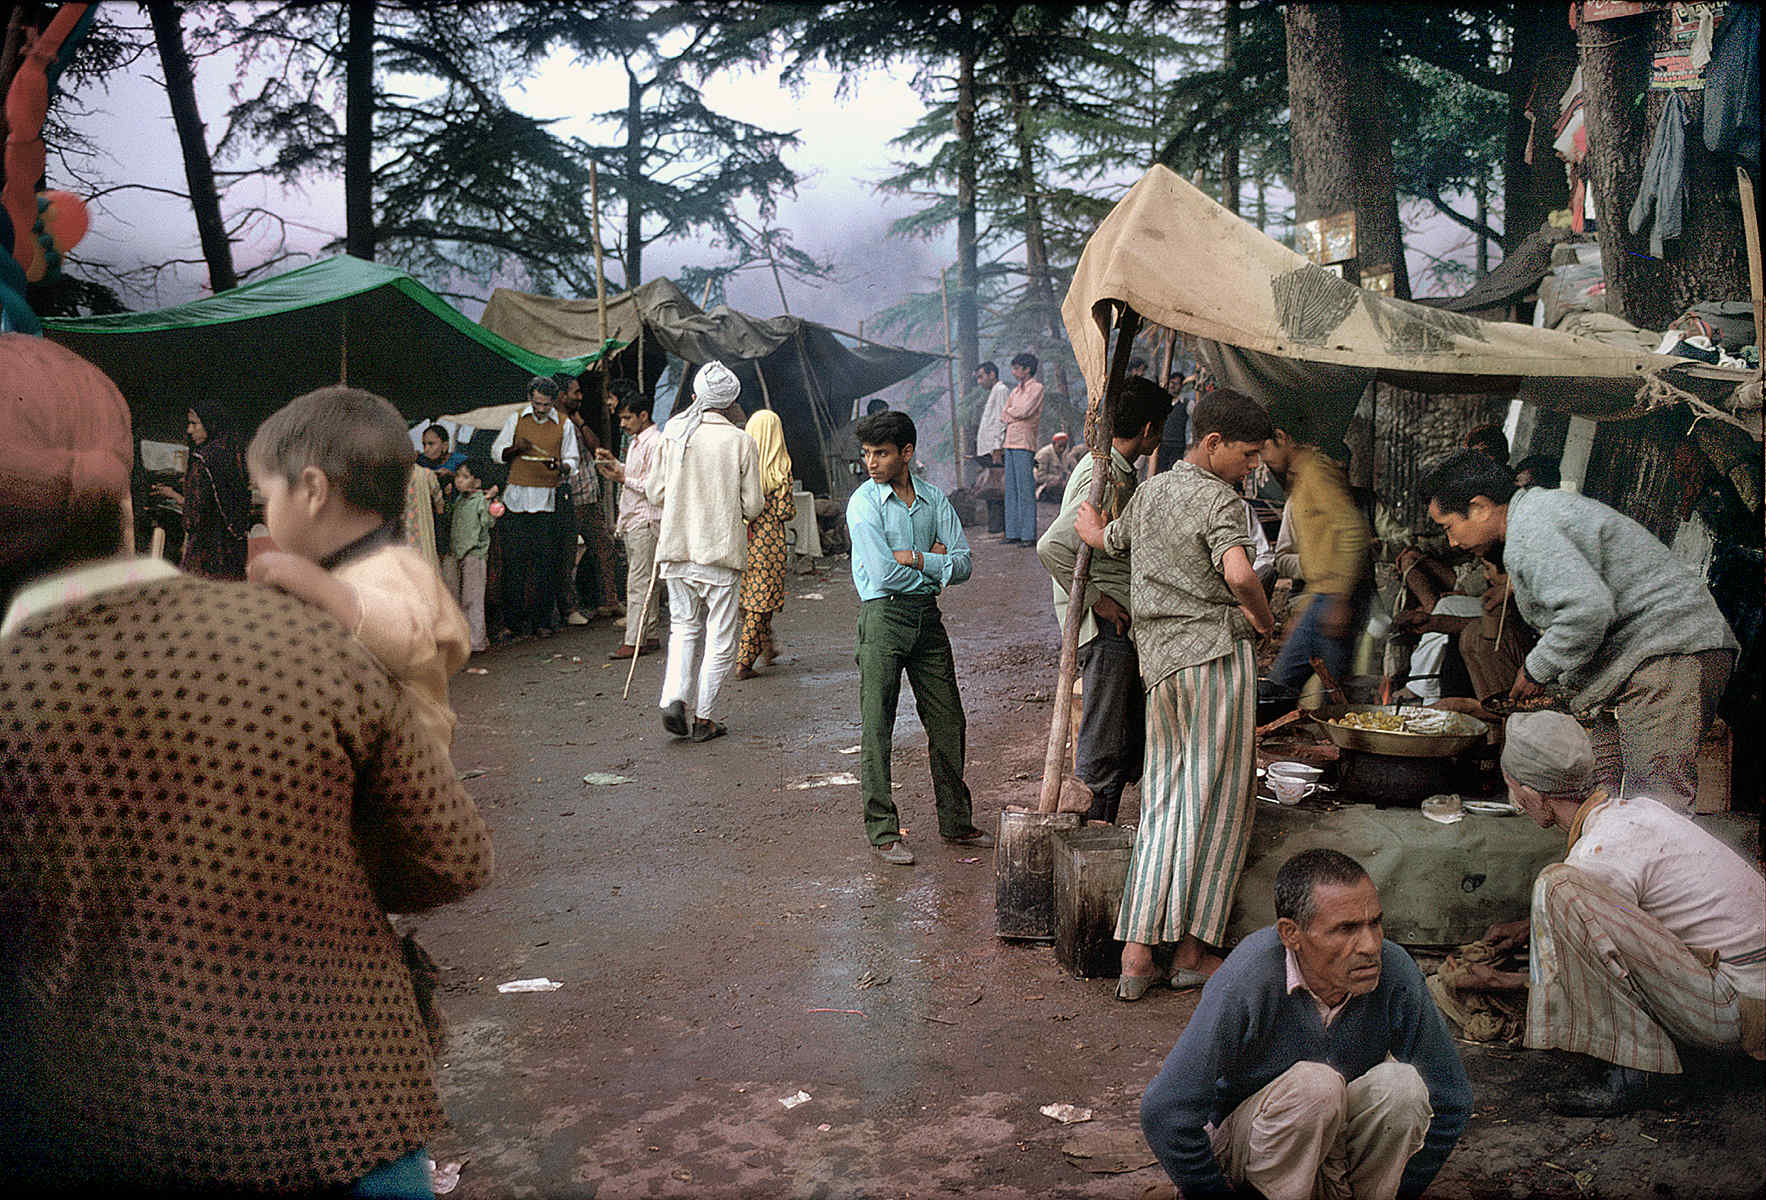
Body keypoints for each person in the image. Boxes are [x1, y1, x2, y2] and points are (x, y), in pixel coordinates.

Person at [0, 334, 492, 1194]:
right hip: (348, 1119)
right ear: (122, 489)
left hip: (106, 1140)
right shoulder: (293, 639)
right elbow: (450, 856)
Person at [1074, 389, 1276, 999]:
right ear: (1212, 443)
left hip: (1158, 667)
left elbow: (1106, 540)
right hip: (1216, 661)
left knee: (1163, 803)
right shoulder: (1222, 501)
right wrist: (1264, 624)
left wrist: (1087, 523)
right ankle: (1191, 951)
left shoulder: (1153, 489)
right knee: (1219, 806)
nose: (1253, 468)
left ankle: (1139, 955)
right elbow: (1240, 574)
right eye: (1247, 454)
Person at [1470, 712, 1764, 1115]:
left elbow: (1594, 962)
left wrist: (1497, 980)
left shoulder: (1595, 857)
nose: (1515, 801)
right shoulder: (1635, 813)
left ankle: (1637, 1072)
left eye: (1514, 789)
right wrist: (1526, 930)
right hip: (1752, 995)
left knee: (1557, 885)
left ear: (1535, 795)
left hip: (1736, 1014)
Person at [1140, 850, 1472, 1200]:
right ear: (1291, 934)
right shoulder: (1249, 977)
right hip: (1250, 1151)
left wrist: (1405, 1188)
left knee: (1403, 1087)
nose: (1371, 945)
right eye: (1346, 929)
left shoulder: (1395, 971)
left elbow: (1451, 1100)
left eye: (1375, 922)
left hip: (1335, 1150)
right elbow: (1166, 1110)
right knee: (1316, 1086)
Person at [1420, 449, 1737, 809]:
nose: (1451, 541)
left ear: (1479, 507)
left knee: (1655, 805)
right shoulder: (1536, 518)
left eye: (1448, 527)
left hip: (1670, 651)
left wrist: (1536, 668)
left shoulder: (1533, 528)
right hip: (1641, 659)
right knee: (1606, 797)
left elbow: (1586, 611)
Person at [245, 386, 471, 762]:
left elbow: (407, 637)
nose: (267, 511)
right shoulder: (353, 569)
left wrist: (319, 589)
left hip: (398, 794)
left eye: (268, 496)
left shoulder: (384, 569)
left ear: (313, 490)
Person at [846, 409, 992, 865]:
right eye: (867, 454)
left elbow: (965, 563)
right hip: (882, 619)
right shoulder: (863, 504)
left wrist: (918, 560)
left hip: (927, 621)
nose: (872, 463)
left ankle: (955, 821)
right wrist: (933, 567)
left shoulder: (933, 499)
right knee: (877, 725)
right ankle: (884, 830)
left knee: (948, 722)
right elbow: (884, 574)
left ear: (906, 453)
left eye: (882, 453)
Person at [1036, 377, 1172, 824]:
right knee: (1102, 745)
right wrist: (1098, 600)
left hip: (1116, 625)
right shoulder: (1105, 475)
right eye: (1162, 428)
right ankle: (1088, 839)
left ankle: (1102, 828)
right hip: (1105, 629)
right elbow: (1053, 545)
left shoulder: (1115, 468)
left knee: (1122, 741)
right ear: (1149, 429)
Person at [648, 361, 765, 742]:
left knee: (683, 628)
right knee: (720, 636)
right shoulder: (741, 441)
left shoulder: (674, 433)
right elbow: (753, 506)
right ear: (732, 401)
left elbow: (655, 493)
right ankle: (704, 719)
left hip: (677, 550)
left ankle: (673, 698)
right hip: (720, 554)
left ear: (696, 396)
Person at [1261, 406, 1373, 694]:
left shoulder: (1316, 472)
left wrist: (1339, 596)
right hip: (1321, 596)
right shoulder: (1301, 476)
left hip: (1335, 597)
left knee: (1330, 695)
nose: (1263, 458)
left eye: (1264, 449)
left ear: (1282, 438)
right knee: (1285, 687)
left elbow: (1352, 529)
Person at [491, 376, 581, 641]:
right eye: (536, 403)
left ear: (553, 402)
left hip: (546, 501)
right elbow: (497, 453)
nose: (540, 409)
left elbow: (572, 461)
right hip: (516, 500)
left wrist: (560, 466)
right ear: (531, 398)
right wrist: (514, 449)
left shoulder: (563, 424)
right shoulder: (517, 418)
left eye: (545, 404)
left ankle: (543, 621)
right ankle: (513, 623)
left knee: (545, 564)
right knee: (513, 564)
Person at [595, 388, 665, 659]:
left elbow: (655, 486)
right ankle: (649, 635)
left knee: (639, 581)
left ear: (643, 415)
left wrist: (622, 479)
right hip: (636, 518)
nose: (622, 424)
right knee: (647, 580)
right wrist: (616, 466)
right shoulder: (639, 442)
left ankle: (634, 640)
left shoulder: (654, 443)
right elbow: (637, 474)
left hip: (646, 520)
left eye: (627, 418)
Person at [151, 396, 251, 580]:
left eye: (194, 424)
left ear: (210, 424)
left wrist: (172, 494)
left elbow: (193, 518)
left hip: (207, 555)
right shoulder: (232, 455)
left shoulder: (202, 460)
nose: (189, 430)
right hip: (233, 554)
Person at [734, 409, 797, 680]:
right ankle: (744, 662)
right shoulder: (780, 471)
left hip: (742, 543)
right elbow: (786, 512)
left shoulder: (740, 468)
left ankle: (767, 647)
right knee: (762, 603)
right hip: (769, 545)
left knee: (751, 600)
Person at [448, 460, 495, 653]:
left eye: (465, 477)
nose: (459, 480)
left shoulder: (480, 501)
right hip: (460, 553)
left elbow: (488, 522)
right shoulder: (459, 499)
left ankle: (477, 641)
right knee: (461, 597)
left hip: (474, 554)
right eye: (458, 476)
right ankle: (468, 639)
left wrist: (490, 502)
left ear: (477, 482)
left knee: (473, 598)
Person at [1001, 351, 1043, 544]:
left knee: (1025, 489)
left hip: (1024, 442)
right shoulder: (1016, 391)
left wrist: (1012, 413)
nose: (1014, 371)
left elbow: (1025, 411)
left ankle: (1028, 534)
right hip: (1010, 441)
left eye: (1017, 368)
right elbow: (1005, 414)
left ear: (1027, 370)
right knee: (1011, 489)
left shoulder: (1037, 388)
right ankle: (1012, 533)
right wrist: (1013, 414)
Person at [973, 361, 1010, 533]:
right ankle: (995, 527)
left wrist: (997, 446)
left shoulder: (1001, 391)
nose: (979, 381)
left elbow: (1002, 419)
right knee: (990, 488)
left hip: (995, 449)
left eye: (981, 377)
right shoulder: (994, 392)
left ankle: (999, 527)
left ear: (992, 374)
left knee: (996, 488)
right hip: (989, 448)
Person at [1033, 431, 1073, 500]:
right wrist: (1057, 478)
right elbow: (1038, 476)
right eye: (1060, 446)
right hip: (1041, 486)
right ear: (1054, 444)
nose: (1062, 449)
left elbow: (1065, 470)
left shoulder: (1064, 455)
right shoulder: (1042, 454)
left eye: (1064, 447)